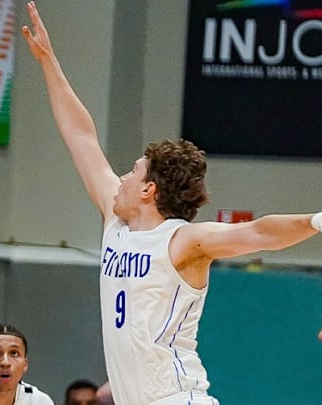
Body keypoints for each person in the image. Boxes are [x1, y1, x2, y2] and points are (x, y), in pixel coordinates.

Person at [21, 1, 322, 404]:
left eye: (132, 172)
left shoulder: (181, 241)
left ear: (149, 190)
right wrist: (49, 62)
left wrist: (316, 220)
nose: (121, 179)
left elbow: (259, 232)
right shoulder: (115, 221)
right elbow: (82, 138)